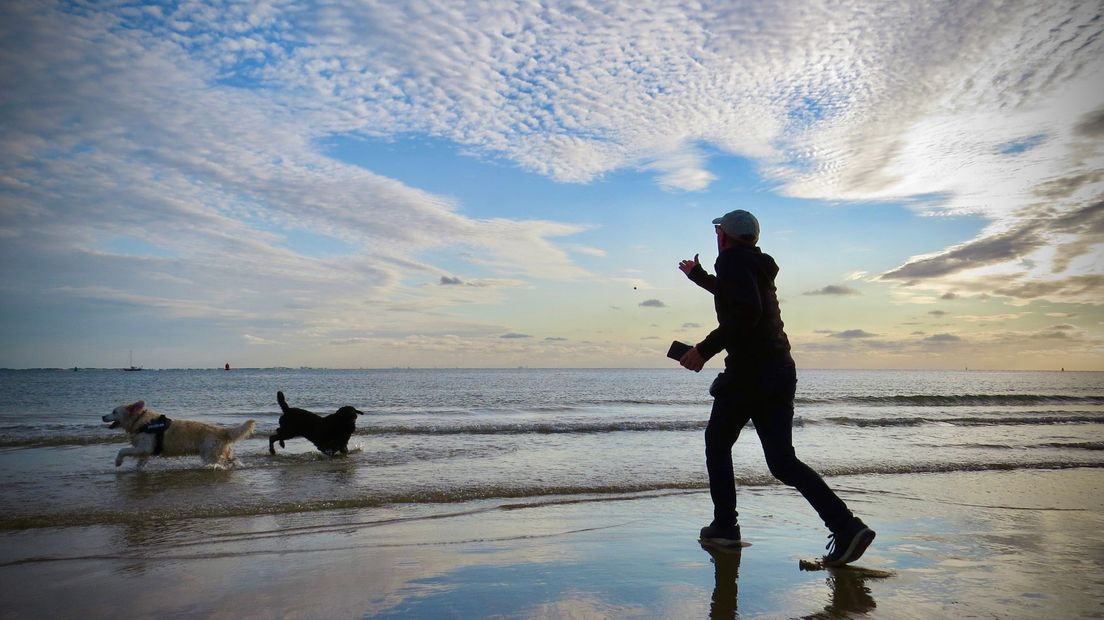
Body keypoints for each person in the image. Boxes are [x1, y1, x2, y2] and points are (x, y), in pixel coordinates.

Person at [677, 208, 875, 566]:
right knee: (782, 462)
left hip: (749, 374)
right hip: (779, 371)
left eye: (718, 230)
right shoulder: (754, 265)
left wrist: (701, 351)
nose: (716, 236)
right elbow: (738, 297)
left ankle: (725, 526)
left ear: (723, 236)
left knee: (717, 443)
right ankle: (846, 526)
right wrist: (699, 276)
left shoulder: (734, 262)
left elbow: (745, 313)